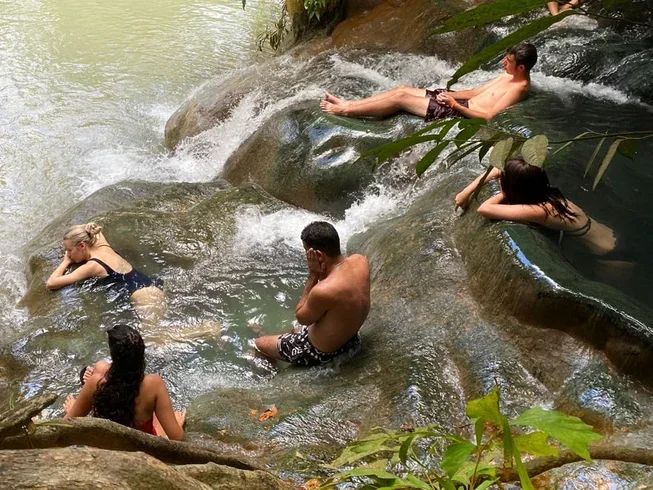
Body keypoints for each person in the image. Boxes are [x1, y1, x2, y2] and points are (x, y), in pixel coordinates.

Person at [454, 158, 633, 267]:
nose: (499, 179)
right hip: (612, 237)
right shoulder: (546, 193)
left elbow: (484, 209)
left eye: (503, 181)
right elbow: (497, 169)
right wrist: (465, 192)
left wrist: (504, 193)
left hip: (612, 257)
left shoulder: (540, 211)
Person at [320, 43, 537, 122]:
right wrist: (451, 95)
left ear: (521, 68)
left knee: (400, 98)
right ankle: (349, 103)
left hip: (460, 112)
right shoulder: (507, 76)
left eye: (508, 61)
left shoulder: (520, 89)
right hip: (457, 102)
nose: (503, 63)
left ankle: (346, 111)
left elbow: (488, 117)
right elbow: (474, 92)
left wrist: (454, 105)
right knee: (402, 88)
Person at [254, 221, 371, 367]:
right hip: (350, 338)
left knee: (259, 344)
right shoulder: (360, 261)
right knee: (293, 331)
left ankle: (271, 376)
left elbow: (301, 317)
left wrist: (313, 276)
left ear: (318, 255)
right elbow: (337, 293)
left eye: (307, 252)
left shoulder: (323, 290)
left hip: (321, 352)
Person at [63, 324, 185, 440]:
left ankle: (91, 406)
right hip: (141, 448)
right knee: (155, 414)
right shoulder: (153, 384)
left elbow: (64, 426)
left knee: (99, 371)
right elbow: (177, 438)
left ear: (114, 356)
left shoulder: (95, 382)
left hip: (106, 446)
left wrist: (73, 411)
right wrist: (178, 424)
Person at [46, 222, 165, 325]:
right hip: (150, 284)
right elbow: (94, 227)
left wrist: (66, 262)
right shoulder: (102, 244)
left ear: (82, 245)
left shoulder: (93, 266)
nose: (68, 254)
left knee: (158, 339)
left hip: (143, 297)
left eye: (69, 250)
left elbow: (51, 283)